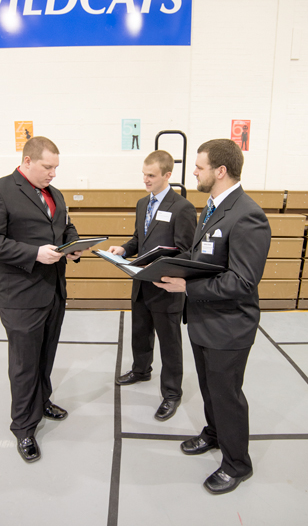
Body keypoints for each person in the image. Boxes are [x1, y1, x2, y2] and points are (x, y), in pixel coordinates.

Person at [155, 139, 271, 494]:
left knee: (226, 394)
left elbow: (242, 280)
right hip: (205, 321)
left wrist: (187, 289)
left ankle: (237, 463)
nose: (194, 172)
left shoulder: (248, 214)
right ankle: (215, 433)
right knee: (208, 388)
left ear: (220, 171)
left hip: (229, 326)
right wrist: (161, 261)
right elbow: (202, 257)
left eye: (200, 167)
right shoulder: (211, 207)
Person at [0, 136, 84, 463]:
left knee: (46, 354)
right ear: (26, 161)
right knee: (24, 363)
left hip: (53, 290)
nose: (53, 173)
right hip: (21, 294)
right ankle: (23, 426)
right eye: (47, 167)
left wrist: (74, 244)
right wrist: (34, 253)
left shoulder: (55, 194)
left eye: (56, 168)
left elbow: (65, 227)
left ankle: (42, 401)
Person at [109, 150, 197, 421]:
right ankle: (140, 370)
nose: (145, 180)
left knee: (169, 342)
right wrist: (123, 249)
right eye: (144, 174)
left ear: (167, 175)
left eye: (151, 175)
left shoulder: (182, 207)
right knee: (140, 331)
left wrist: (157, 267)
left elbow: (186, 252)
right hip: (141, 283)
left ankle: (171, 393)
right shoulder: (141, 204)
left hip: (165, 286)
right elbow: (139, 238)